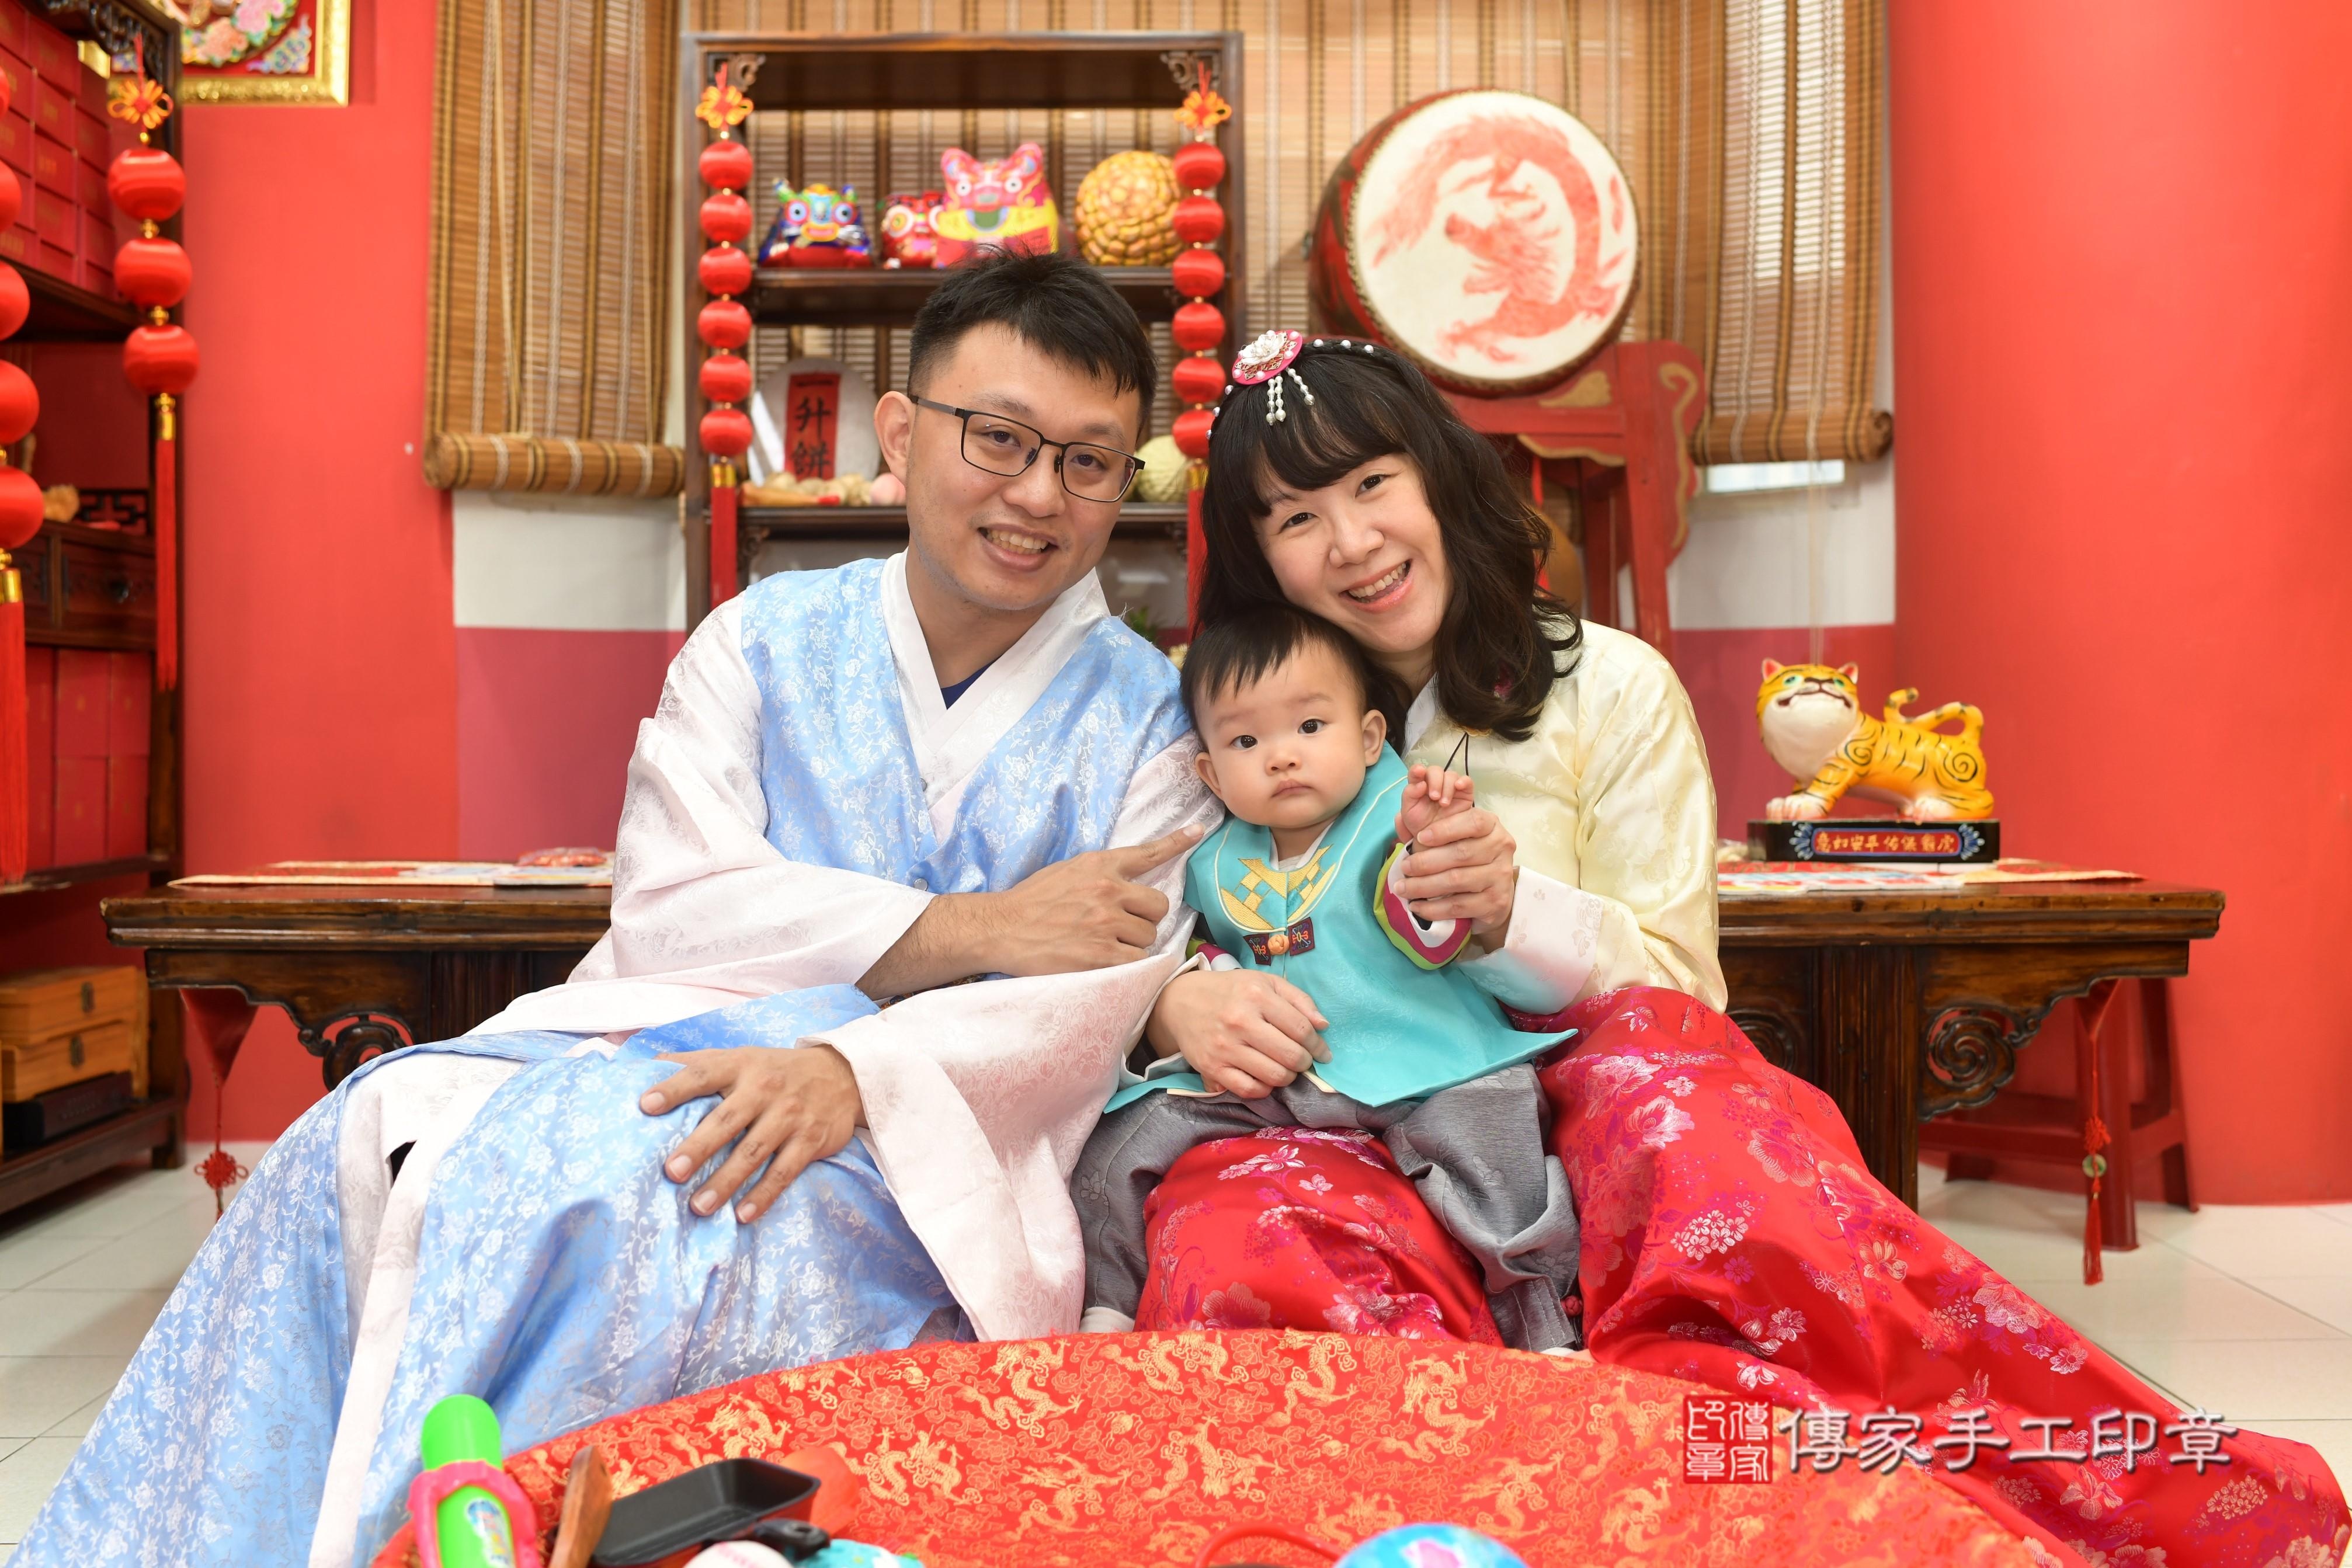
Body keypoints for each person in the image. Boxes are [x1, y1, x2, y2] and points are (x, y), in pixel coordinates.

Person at [15, 251, 1224, 1568]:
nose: (1038, 494)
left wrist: (857, 1073)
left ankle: (523, 1525)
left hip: (939, 1135)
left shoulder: (1147, 716)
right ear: (899, 431)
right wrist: (974, 928)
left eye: (1088, 461)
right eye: (999, 438)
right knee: (360, 1139)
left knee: (655, 1200)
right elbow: (677, 896)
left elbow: (1101, 992)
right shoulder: (758, 639)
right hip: (670, 1030)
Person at [1131, 329, 2349, 1566]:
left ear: (1437, 476)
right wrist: (1179, 1002)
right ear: (1257, 556)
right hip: (1331, 1120)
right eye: (1296, 516)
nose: (1350, 540)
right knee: (1234, 1229)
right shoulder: (1215, 716)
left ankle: (1857, 1505)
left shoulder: (1611, 688)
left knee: (1705, 1139)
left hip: (1582, 1113)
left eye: (1371, 483)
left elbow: (1676, 988)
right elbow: (1140, 926)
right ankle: (1444, 1517)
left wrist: (1511, 917)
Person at [1071, 604, 1582, 1350]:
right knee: (1124, 1134)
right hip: (1283, 1076)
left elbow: (1433, 932)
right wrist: (1211, 981)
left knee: (1495, 1131)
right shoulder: (1214, 856)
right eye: (1246, 741)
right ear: (1210, 773)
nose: (1281, 757)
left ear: (1370, 738)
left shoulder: (1395, 820)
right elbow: (1209, 948)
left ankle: (1542, 1323)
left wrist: (1423, 857)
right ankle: (1108, 1307)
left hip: (1423, 1058)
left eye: (1310, 727)